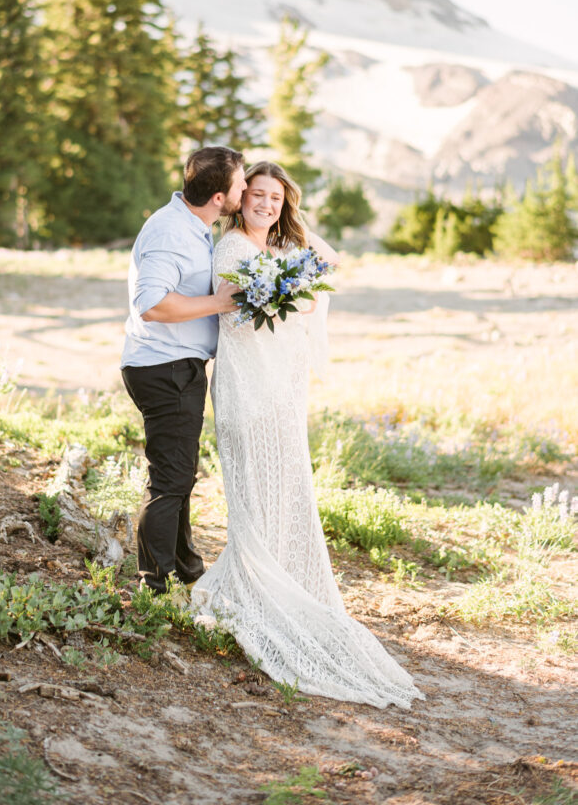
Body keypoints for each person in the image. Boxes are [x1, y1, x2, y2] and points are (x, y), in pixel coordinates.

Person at [191, 161, 423, 708]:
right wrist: (271, 290)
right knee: (255, 491)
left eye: (276, 198)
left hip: (284, 392)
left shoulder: (279, 249)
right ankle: (255, 590)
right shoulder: (232, 251)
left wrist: (289, 228)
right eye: (257, 196)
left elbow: (330, 259)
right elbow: (235, 309)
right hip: (247, 388)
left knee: (287, 490)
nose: (266, 205)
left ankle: (277, 583)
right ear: (239, 198)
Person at [121, 146, 247, 593]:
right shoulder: (171, 231)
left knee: (179, 474)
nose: (246, 189)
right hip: (164, 367)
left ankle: (186, 565)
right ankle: (152, 585)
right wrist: (219, 302)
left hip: (175, 365)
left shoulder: (192, 226)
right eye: (240, 183)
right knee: (169, 480)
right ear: (218, 196)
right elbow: (152, 305)